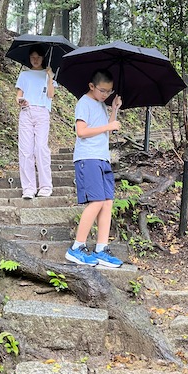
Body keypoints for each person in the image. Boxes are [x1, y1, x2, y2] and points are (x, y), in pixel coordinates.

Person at [65, 69, 123, 268]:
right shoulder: (84, 103)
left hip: (102, 157)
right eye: (102, 90)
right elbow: (81, 131)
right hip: (88, 158)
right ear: (92, 86)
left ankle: (101, 248)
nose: (106, 94)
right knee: (97, 201)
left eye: (109, 91)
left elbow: (106, 128)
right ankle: (77, 247)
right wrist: (108, 126)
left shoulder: (102, 104)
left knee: (107, 202)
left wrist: (114, 109)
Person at [15, 45, 55, 199]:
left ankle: (45, 186)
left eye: (38, 57)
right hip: (26, 112)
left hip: (42, 112)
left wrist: (50, 77)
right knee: (25, 150)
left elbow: (51, 95)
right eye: (32, 57)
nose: (35, 60)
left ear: (43, 58)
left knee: (40, 148)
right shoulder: (24, 75)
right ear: (29, 58)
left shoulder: (47, 74)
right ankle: (28, 188)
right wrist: (21, 101)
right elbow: (18, 95)